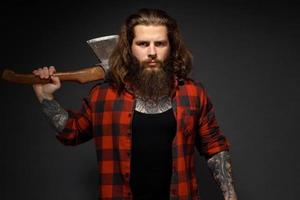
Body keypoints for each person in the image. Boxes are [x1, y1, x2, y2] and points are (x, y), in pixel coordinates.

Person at [32, 8, 237, 200]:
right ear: (129, 48)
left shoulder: (193, 93)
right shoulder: (103, 95)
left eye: (160, 43)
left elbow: (214, 147)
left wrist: (230, 196)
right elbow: (71, 133)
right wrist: (46, 98)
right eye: (142, 44)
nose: (152, 53)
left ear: (171, 47)